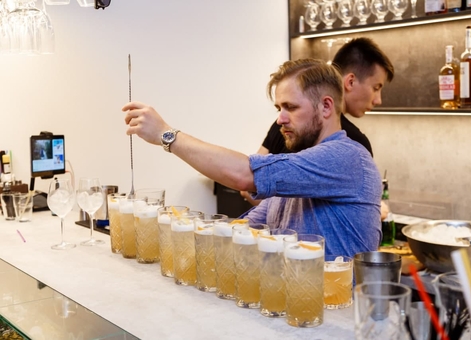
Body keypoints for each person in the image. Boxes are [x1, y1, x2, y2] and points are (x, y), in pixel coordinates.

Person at [123, 58, 382, 257]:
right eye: (279, 108)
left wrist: (166, 135)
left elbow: (245, 175)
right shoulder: (298, 173)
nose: (280, 118)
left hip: (336, 321)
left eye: (290, 107)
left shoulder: (347, 157)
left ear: (326, 106)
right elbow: (237, 232)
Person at [241, 37, 395, 206]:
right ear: (350, 82)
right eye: (376, 87)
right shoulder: (286, 124)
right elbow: (249, 182)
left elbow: (250, 182)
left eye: (291, 107)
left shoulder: (352, 149)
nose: (378, 100)